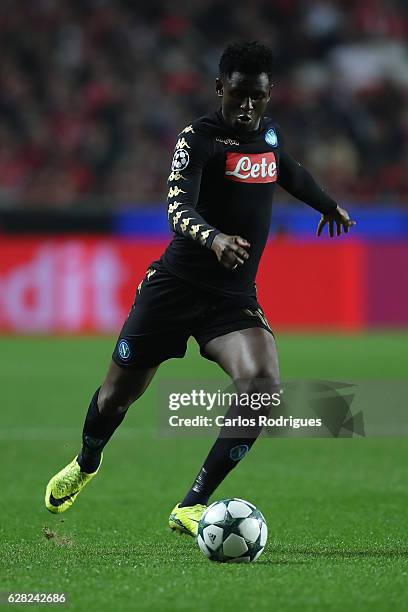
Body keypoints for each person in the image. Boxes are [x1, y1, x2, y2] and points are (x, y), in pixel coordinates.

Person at [45, 41, 355, 536]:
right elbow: (176, 207)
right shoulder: (198, 140)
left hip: (231, 299)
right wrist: (212, 238)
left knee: (262, 387)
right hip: (173, 288)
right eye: (238, 97)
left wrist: (326, 204)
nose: (247, 107)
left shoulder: (268, 137)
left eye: (257, 97)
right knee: (115, 397)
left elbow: (289, 171)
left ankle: (191, 504)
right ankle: (86, 462)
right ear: (220, 90)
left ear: (269, 93)